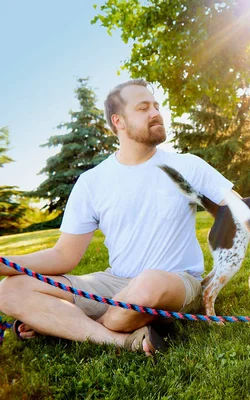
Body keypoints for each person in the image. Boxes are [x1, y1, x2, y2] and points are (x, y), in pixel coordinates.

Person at [0, 79, 234, 356]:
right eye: (144, 107)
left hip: (173, 282)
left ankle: (66, 324)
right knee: (10, 290)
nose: (156, 112)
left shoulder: (187, 165)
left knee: (149, 284)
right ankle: (121, 341)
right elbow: (64, 256)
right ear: (118, 121)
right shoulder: (92, 182)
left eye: (156, 106)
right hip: (113, 282)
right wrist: (4, 264)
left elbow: (239, 210)